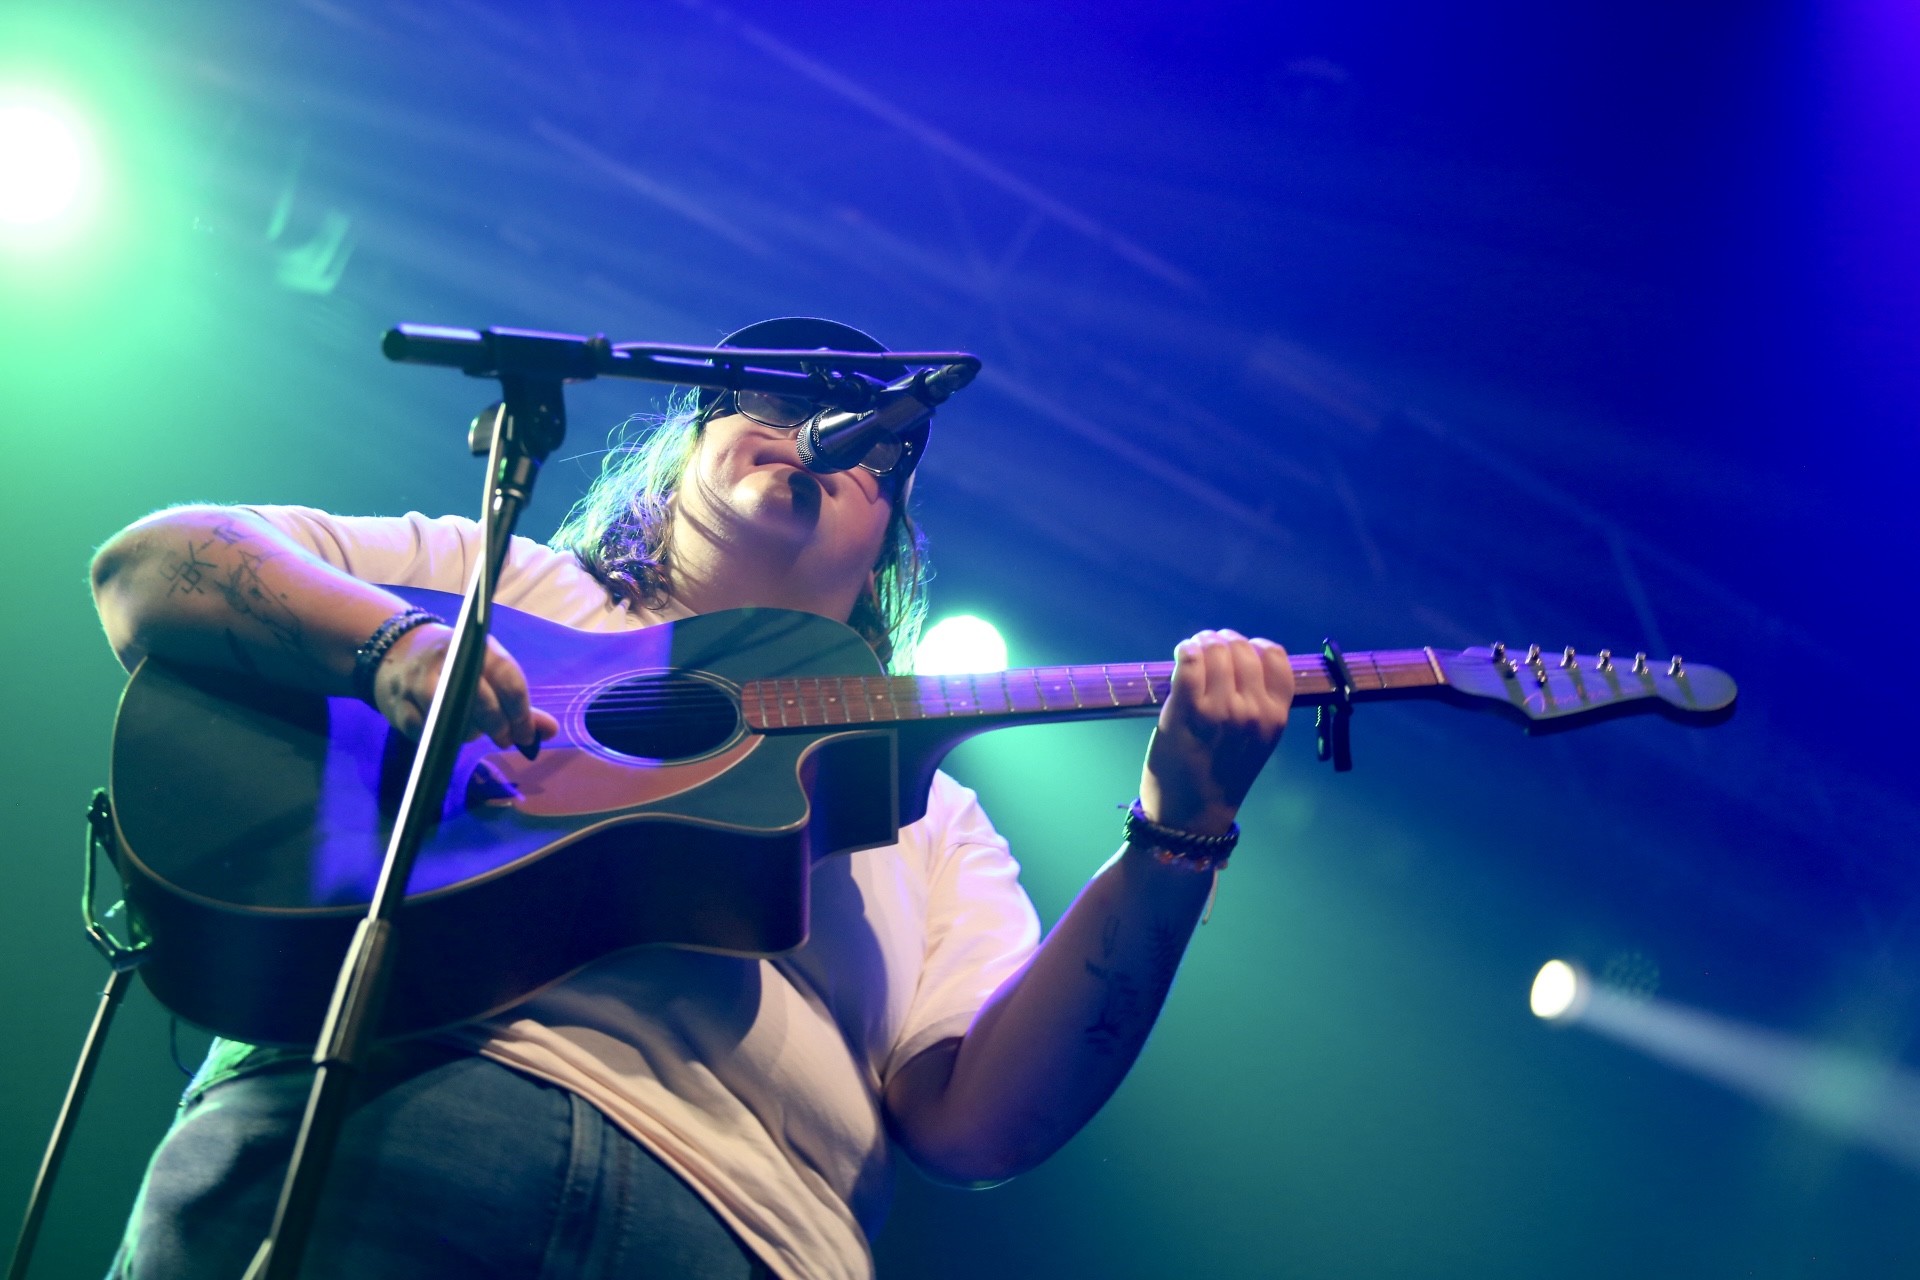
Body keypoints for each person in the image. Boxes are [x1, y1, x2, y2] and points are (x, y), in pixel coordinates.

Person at [89, 318, 1295, 1280]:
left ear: (886, 545)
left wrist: (1180, 831)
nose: (816, 430)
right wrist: (390, 645)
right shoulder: (501, 579)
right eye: (766, 396)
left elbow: (976, 1121)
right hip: (379, 1119)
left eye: (877, 446)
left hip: (745, 1234)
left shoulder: (933, 813)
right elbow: (147, 568)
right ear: (682, 453)